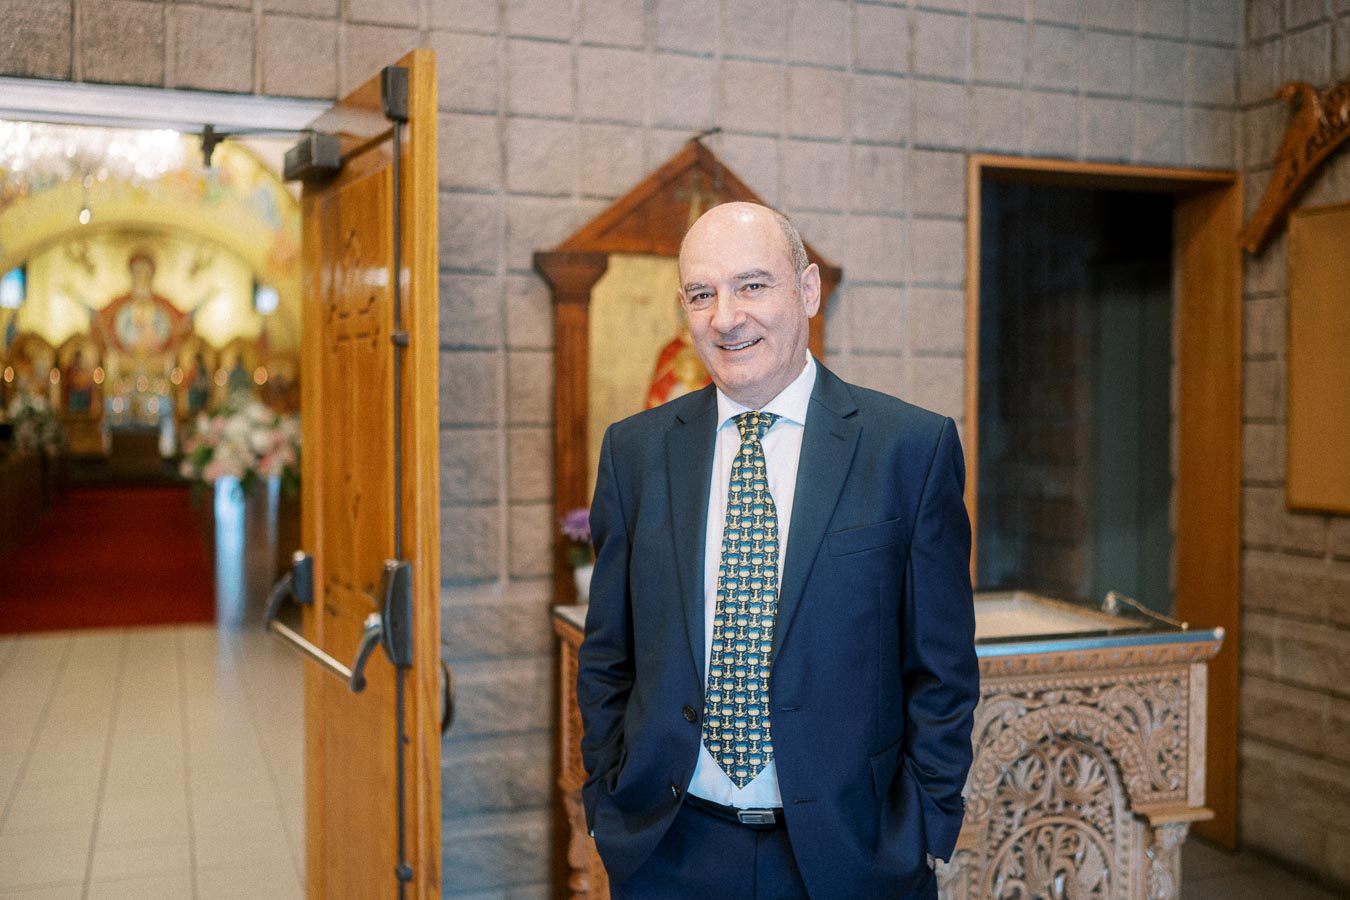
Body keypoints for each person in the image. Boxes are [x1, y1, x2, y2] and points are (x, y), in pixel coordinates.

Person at [576, 202, 979, 899]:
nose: (726, 316)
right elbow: (609, 655)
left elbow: (943, 673)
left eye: (752, 284)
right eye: (702, 294)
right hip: (669, 851)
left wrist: (919, 827)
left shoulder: (909, 450)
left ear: (809, 290)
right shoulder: (635, 453)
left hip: (849, 857)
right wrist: (607, 799)